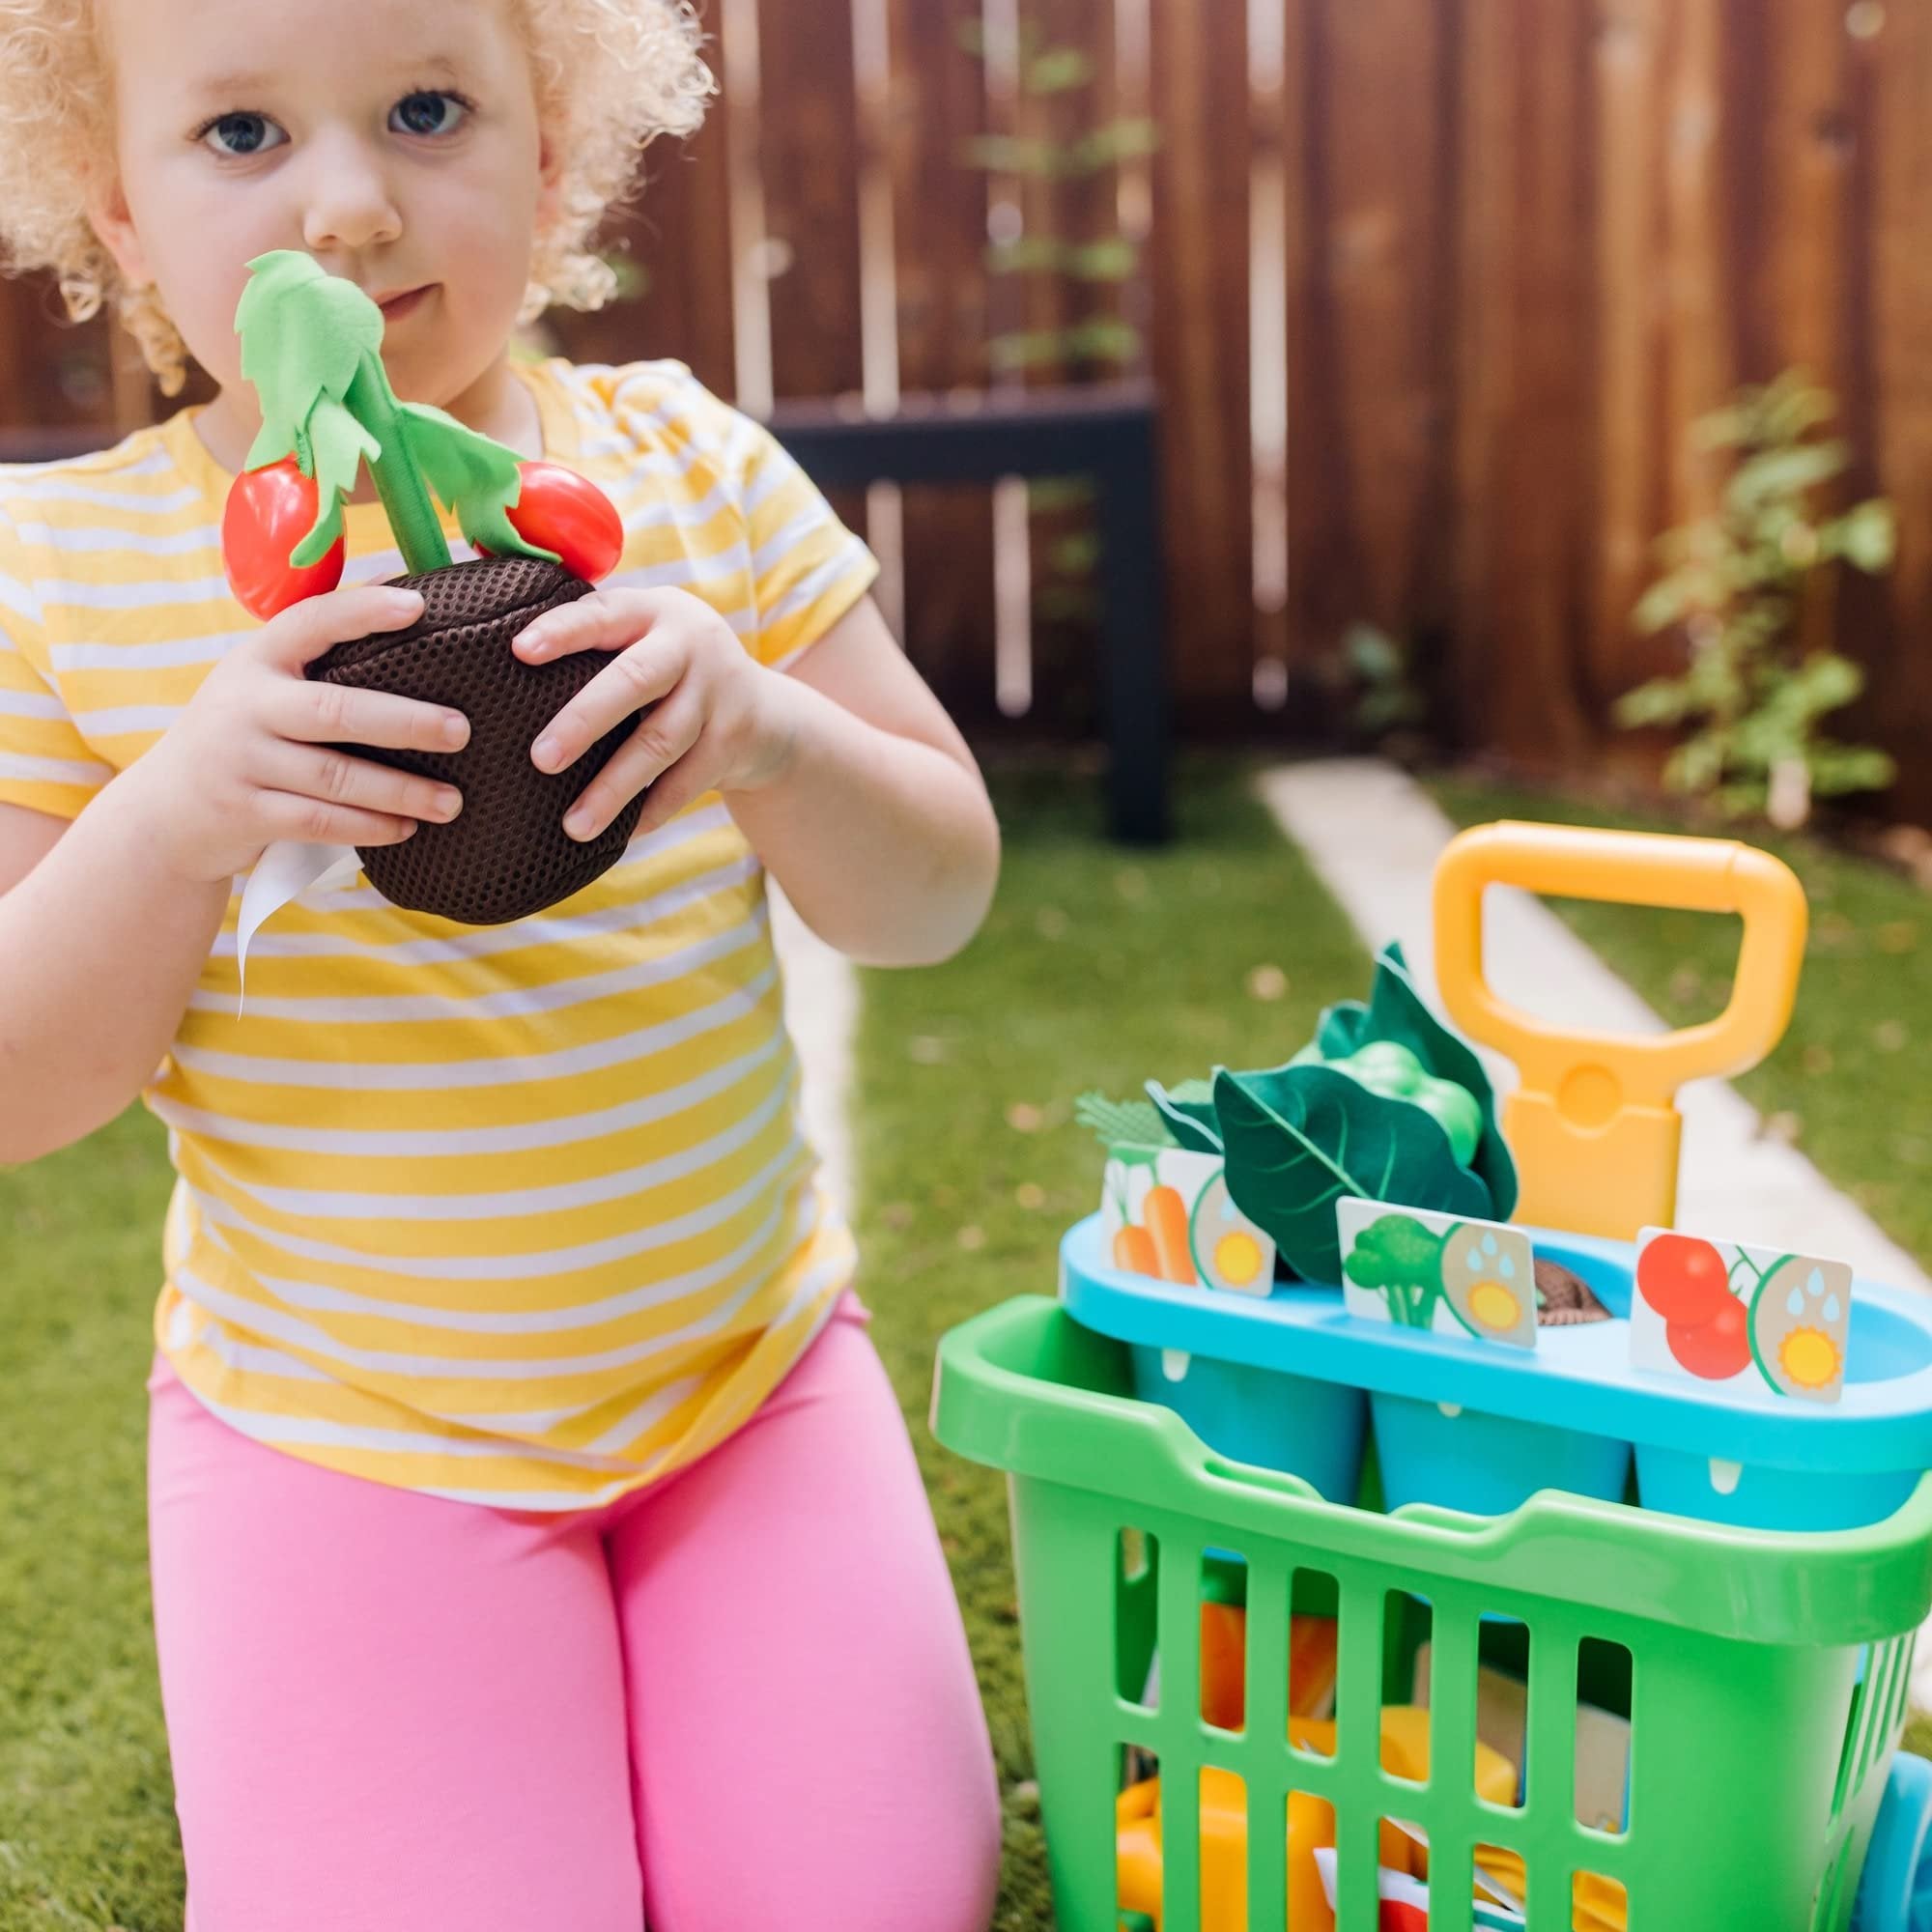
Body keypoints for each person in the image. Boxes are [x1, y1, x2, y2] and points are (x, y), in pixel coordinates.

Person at [0, 1, 1004, 1926]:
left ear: (551, 165)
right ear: (116, 209)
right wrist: (178, 814)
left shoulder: (687, 474)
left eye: (427, 110)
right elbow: (27, 1087)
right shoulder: (63, 571)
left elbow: (933, 895)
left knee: (880, 1900)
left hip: (744, 1385)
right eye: (239, 139)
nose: (353, 206)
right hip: (349, 1444)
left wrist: (774, 740)